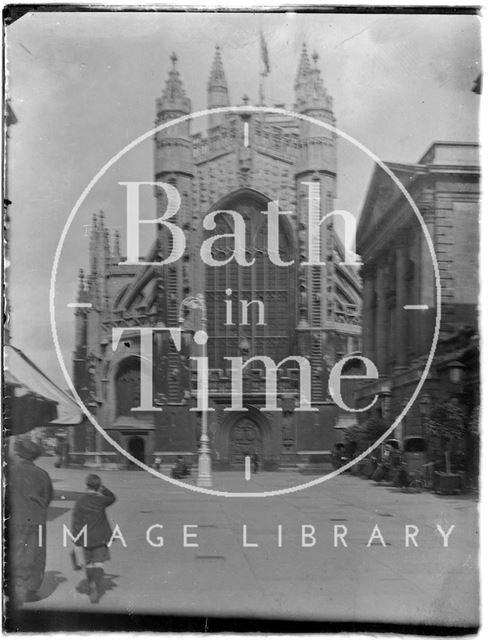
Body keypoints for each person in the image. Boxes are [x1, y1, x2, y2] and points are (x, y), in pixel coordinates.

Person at [7, 436, 53, 605]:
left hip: (14, 519)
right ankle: (30, 589)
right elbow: (48, 498)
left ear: (19, 454)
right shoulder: (43, 474)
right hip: (37, 520)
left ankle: (15, 586)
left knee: (14, 552)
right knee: (36, 554)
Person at [71, 474, 116, 604]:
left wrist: (76, 538)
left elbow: (76, 521)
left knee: (89, 563)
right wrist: (104, 489)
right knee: (99, 562)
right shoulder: (101, 500)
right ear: (98, 487)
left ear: (86, 486)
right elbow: (112, 498)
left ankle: (91, 583)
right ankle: (96, 584)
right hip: (100, 537)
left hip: (85, 538)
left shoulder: (80, 501)